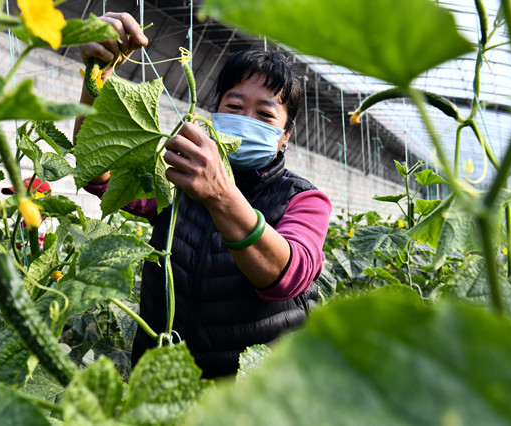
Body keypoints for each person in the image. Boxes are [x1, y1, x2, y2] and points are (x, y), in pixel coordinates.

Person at [74, 13, 332, 378]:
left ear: (285, 135)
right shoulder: (178, 179)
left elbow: (287, 277)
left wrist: (220, 194)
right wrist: (97, 74)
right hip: (162, 378)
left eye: (264, 114)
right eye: (234, 107)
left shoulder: (303, 199)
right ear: (213, 113)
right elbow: (97, 170)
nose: (246, 119)